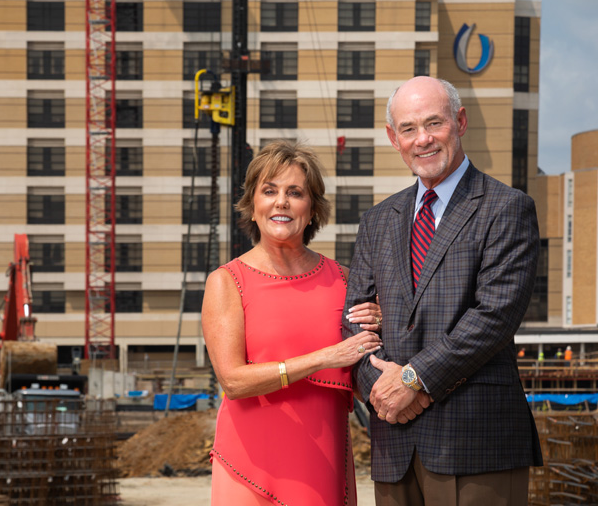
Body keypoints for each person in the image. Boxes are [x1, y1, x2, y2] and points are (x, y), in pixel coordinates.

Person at [342, 76, 543, 505]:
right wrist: (380, 392)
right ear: (393, 137)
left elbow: (493, 317)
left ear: (461, 121)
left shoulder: (506, 208)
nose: (424, 139)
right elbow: (353, 321)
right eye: (409, 128)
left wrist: (413, 380)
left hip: (476, 443)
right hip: (393, 439)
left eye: (434, 123)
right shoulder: (377, 221)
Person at [202, 139, 382, 505]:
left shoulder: (345, 282)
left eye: (295, 192)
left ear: (312, 209)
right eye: (269, 191)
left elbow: (364, 384)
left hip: (323, 466)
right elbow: (233, 381)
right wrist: (323, 358)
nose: (281, 201)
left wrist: (382, 325)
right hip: (247, 468)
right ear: (252, 206)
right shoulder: (226, 282)